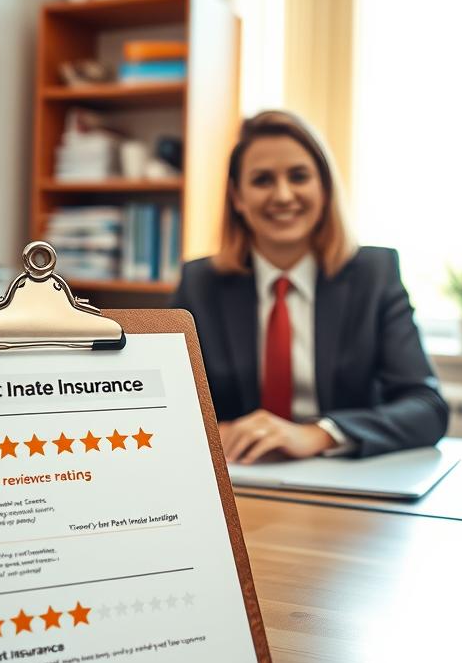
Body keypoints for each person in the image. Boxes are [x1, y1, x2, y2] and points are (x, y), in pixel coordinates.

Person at [171, 109, 448, 464]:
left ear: (324, 188)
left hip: (345, 477)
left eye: (299, 176)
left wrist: (319, 434)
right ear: (238, 198)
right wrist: (211, 430)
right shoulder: (200, 283)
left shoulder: (374, 274)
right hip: (242, 476)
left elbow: (427, 409)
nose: (284, 195)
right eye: (262, 180)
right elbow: (167, 401)